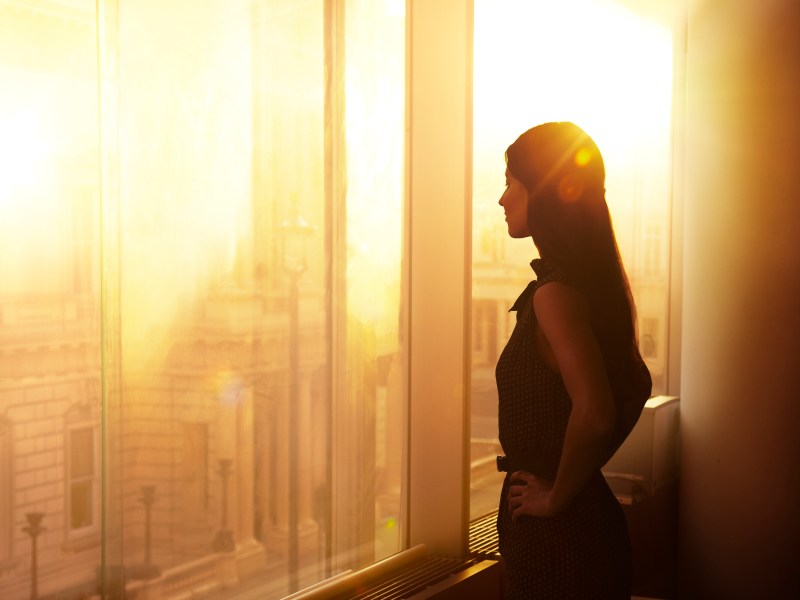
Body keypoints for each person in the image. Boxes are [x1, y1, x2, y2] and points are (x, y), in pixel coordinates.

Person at [495, 122, 652, 598]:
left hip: (560, 538)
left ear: (540, 191)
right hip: (576, 525)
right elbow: (632, 388)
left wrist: (554, 496)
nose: (502, 198)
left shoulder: (555, 295)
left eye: (509, 181)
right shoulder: (581, 287)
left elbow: (596, 411)